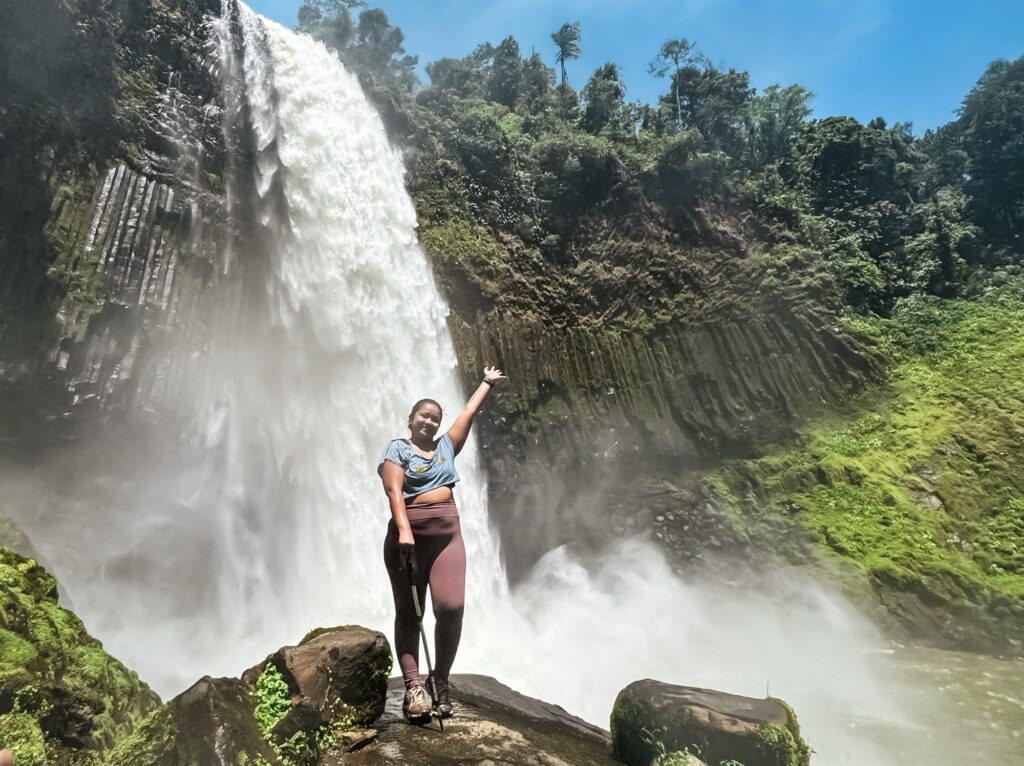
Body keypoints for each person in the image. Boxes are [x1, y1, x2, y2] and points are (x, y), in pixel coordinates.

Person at [378, 366, 505, 723]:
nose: (430, 423)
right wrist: (403, 528)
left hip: (448, 536)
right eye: (424, 416)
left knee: (451, 608)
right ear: (411, 419)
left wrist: (486, 383)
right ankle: (414, 687)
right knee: (410, 614)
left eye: (435, 418)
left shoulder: (447, 446)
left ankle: (441, 680)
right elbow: (393, 489)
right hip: (408, 540)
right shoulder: (397, 448)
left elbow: (467, 413)